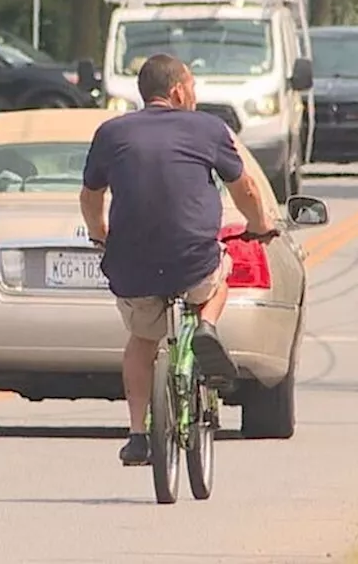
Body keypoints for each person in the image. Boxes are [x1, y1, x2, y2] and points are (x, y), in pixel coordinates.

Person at [79, 53, 278, 466]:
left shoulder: (111, 133)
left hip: (131, 265)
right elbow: (246, 191)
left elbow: (90, 197)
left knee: (142, 340)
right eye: (193, 86)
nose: (196, 94)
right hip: (193, 260)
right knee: (220, 274)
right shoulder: (208, 129)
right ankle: (206, 326)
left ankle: (137, 434)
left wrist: (101, 236)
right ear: (177, 91)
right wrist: (260, 225)